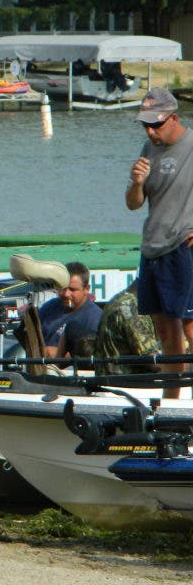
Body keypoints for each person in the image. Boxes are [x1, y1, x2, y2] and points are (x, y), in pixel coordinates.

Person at [126, 86, 193, 396]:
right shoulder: (147, 149)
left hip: (184, 246)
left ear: (173, 118)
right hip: (152, 246)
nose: (151, 131)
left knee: (190, 326)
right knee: (165, 330)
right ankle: (172, 400)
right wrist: (137, 183)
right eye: (146, 125)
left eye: (156, 124)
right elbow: (133, 203)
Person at [93, 279, 161, 375]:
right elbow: (153, 361)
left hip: (116, 381)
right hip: (125, 384)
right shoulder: (131, 307)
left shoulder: (120, 299)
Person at [36, 261, 103, 358]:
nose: (66, 294)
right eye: (62, 288)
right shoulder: (49, 307)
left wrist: (61, 354)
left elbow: (94, 355)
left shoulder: (95, 318)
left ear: (86, 289)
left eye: (72, 289)